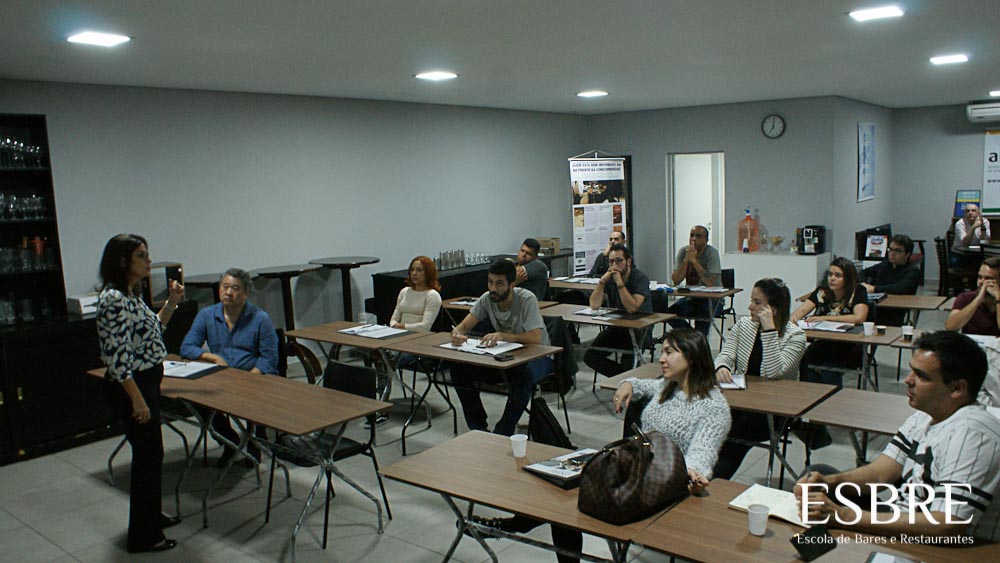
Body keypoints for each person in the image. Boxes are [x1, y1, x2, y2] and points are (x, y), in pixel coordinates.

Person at [471, 329, 731, 562]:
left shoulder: (713, 407)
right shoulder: (668, 386)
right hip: (635, 466)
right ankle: (518, 525)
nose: (661, 359)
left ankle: (515, 525)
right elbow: (643, 384)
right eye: (662, 352)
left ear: (692, 357)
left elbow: (702, 454)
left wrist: (693, 473)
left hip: (663, 481)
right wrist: (627, 384)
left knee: (567, 499)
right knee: (560, 491)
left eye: (669, 353)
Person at [794, 331, 1000, 542]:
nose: (908, 380)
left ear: (957, 388)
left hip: (942, 542)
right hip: (906, 515)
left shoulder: (973, 435)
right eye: (911, 371)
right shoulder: (925, 416)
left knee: (827, 513)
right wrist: (829, 482)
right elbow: (880, 474)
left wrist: (843, 515)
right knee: (819, 476)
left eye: (921, 376)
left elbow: (946, 525)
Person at [96, 234, 184, 553]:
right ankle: (144, 536)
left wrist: (172, 303)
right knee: (147, 458)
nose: (148, 262)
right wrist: (137, 398)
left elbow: (152, 333)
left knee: (151, 455)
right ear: (123, 261)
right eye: (141, 256)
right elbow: (117, 357)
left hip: (146, 381)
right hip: (133, 387)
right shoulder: (113, 300)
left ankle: (151, 518)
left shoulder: (131, 295)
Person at [180, 268, 279, 467]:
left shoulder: (260, 318)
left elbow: (269, 359)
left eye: (235, 288)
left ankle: (254, 440)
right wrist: (213, 357)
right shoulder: (207, 315)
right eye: (225, 287)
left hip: (253, 376)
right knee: (196, 399)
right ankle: (229, 441)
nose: (228, 292)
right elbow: (187, 347)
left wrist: (250, 377)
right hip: (222, 376)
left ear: (246, 293)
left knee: (252, 399)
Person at [712, 278, 807, 479]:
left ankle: (712, 481)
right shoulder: (744, 325)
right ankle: (694, 472)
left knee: (733, 436)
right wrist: (722, 367)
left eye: (757, 303)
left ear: (773, 309)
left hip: (773, 410)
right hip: (742, 398)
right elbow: (726, 354)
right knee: (711, 421)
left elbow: (773, 373)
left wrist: (769, 330)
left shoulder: (795, 336)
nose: (750, 307)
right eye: (751, 301)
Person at [449, 259, 553, 436]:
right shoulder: (487, 299)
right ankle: (477, 426)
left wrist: (503, 336)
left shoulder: (526, 299)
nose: (493, 288)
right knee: (459, 369)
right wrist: (456, 334)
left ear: (512, 285)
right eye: (490, 282)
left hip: (539, 356)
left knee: (524, 376)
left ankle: (503, 432)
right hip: (507, 356)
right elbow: (463, 326)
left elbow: (535, 338)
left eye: (499, 284)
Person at [792, 257, 869, 448]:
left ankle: (833, 411)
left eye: (838, 275)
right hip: (824, 343)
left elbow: (859, 317)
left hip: (849, 346)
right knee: (805, 363)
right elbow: (800, 312)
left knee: (828, 369)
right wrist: (794, 320)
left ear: (848, 278)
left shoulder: (858, 291)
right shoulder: (822, 292)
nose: (832, 279)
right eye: (830, 274)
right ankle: (813, 414)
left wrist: (824, 318)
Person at [583, 244, 652, 378]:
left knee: (628, 363)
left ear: (628, 261)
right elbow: (594, 305)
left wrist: (620, 283)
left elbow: (632, 308)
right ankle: (623, 378)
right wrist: (602, 282)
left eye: (619, 261)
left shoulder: (639, 278)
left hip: (639, 329)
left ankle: (626, 379)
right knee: (590, 356)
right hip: (617, 327)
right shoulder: (610, 278)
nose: (614, 265)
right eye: (611, 262)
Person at [667, 225, 722, 336]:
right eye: (691, 235)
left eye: (698, 236)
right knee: (669, 314)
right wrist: (686, 260)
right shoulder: (683, 252)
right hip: (691, 298)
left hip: (712, 300)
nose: (693, 239)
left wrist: (694, 261)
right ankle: (693, 337)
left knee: (703, 313)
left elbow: (710, 283)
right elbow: (676, 280)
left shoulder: (712, 253)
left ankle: (698, 340)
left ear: (706, 240)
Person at [860, 234, 921, 326]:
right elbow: (863, 272)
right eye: (890, 249)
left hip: (894, 311)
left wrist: (874, 289)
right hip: (875, 306)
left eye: (898, 251)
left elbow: (900, 288)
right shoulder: (885, 265)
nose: (892, 253)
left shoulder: (912, 271)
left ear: (907, 254)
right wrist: (864, 284)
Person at [945, 257, 1000, 336]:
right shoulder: (965, 298)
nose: (981, 282)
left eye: (988, 278)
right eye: (980, 277)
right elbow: (950, 327)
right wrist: (978, 299)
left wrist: (998, 298)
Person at [389, 255, 442, 332]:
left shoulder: (432, 295)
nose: (414, 273)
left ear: (428, 273)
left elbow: (425, 327)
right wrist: (395, 326)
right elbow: (393, 320)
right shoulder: (404, 292)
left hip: (419, 336)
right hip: (399, 333)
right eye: (412, 270)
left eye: (419, 270)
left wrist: (401, 326)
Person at [952, 203, 991, 267]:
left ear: (978, 213)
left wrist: (982, 228)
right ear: (964, 214)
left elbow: (985, 242)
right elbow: (965, 243)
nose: (970, 213)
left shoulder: (984, 222)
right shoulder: (960, 224)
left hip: (977, 254)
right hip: (960, 254)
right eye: (968, 211)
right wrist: (973, 227)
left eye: (973, 210)